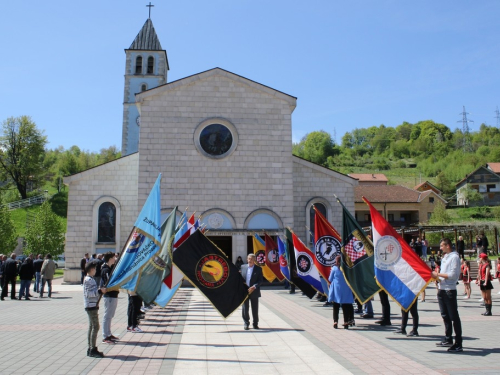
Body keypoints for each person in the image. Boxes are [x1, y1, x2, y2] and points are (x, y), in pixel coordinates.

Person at [432, 238, 463, 353]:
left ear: (448, 245)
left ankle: (458, 342)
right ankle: (448, 338)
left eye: (442, 246)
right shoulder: (445, 257)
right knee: (445, 315)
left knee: (454, 317)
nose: (440, 248)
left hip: (449, 290)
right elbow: (443, 274)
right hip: (442, 289)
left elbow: (453, 275)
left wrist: (438, 274)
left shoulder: (454, 257)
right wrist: (437, 278)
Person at [83, 261, 107, 358]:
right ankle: (92, 348)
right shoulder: (89, 280)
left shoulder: (89, 279)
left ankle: (91, 347)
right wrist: (99, 291)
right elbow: (89, 294)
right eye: (95, 269)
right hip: (91, 306)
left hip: (92, 305)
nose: (96, 271)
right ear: (92, 269)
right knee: (95, 327)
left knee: (91, 326)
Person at [328, 255, 354, 329]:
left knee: (336, 306)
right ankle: (346, 322)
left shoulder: (334, 269)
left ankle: (335, 321)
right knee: (345, 306)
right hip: (346, 289)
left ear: (337, 261)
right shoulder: (347, 269)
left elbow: (330, 279)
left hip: (337, 289)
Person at [240, 254, 263, 330]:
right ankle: (246, 323)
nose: (250, 260)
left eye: (252, 259)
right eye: (249, 259)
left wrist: (254, 286)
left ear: (254, 260)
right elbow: (240, 278)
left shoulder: (258, 269)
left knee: (255, 308)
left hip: (254, 291)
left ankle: (255, 323)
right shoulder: (243, 267)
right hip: (245, 291)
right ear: (247, 259)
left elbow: (260, 280)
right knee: (245, 308)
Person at [100, 252, 119, 344]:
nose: (115, 258)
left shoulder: (111, 268)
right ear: (110, 258)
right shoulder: (106, 270)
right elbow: (109, 282)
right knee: (107, 316)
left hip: (114, 294)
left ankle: (109, 333)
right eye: (114, 257)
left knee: (110, 315)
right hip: (109, 295)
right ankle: (105, 335)